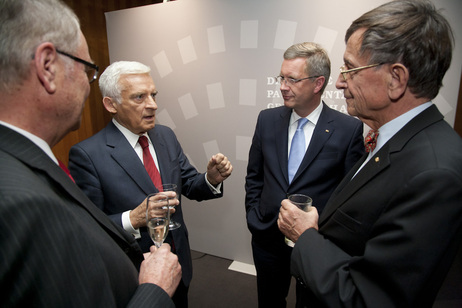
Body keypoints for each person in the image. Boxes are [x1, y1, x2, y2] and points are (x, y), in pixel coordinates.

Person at [278, 1, 462, 307]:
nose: (339, 82)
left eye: (350, 68)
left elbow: (367, 298)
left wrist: (306, 235)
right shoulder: (392, 141)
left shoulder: (434, 174)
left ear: (396, 79)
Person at [0, 0, 181, 307]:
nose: (87, 85)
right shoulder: (20, 203)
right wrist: (155, 289)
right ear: (47, 67)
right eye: (87, 70)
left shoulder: (24, 164)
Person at [68, 60, 233, 307]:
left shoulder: (165, 135)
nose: (152, 105)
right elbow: (86, 228)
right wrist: (133, 218)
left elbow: (188, 184)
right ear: (111, 104)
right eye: (139, 97)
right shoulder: (88, 155)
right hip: (133, 275)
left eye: (153, 95)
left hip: (178, 265)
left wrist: (211, 179)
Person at [245, 42, 364, 307]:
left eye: (292, 79)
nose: (283, 86)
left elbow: (349, 195)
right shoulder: (267, 119)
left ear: (318, 83)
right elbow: (254, 175)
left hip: (316, 242)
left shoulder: (348, 130)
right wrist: (254, 215)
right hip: (267, 236)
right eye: (282, 78)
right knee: (269, 300)